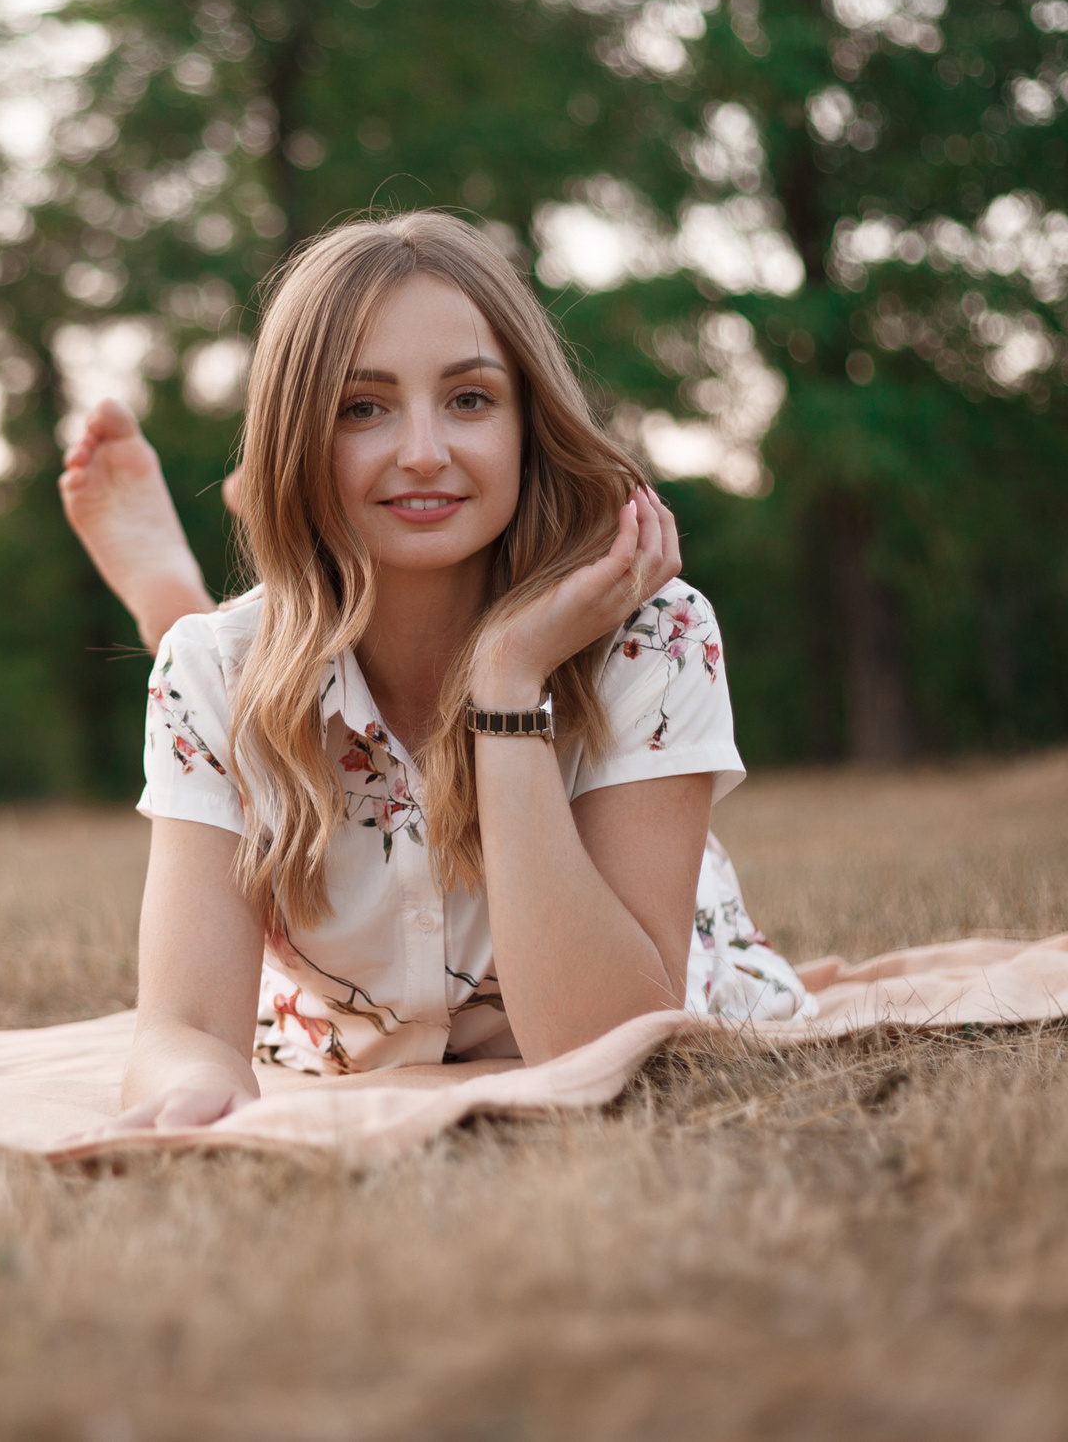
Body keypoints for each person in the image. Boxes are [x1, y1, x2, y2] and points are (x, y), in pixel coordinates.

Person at [59, 210, 811, 1131]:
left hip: (651, 928)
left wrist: (508, 680)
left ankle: (200, 582)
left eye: (470, 400)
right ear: (300, 437)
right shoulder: (210, 674)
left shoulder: (654, 633)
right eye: (362, 408)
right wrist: (190, 1092)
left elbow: (610, 1049)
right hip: (342, 1017)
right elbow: (184, 1027)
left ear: (530, 421)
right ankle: (179, 602)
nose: (424, 451)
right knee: (219, 664)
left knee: (225, 662)